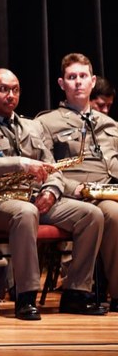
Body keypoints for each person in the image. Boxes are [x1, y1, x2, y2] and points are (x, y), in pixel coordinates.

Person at [0, 68, 106, 320]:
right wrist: (20, 163)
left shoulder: (32, 126)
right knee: (26, 213)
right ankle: (25, 296)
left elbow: (52, 168)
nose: (10, 95)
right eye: (3, 89)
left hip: (35, 197)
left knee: (91, 215)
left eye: (15, 90)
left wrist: (51, 191)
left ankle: (76, 292)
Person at [35, 53, 118, 312]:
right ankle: (78, 291)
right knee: (113, 215)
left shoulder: (109, 124)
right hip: (72, 194)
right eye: (72, 77)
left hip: (107, 190)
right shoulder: (46, 122)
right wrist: (76, 189)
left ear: (93, 81)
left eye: (83, 76)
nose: (78, 82)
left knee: (113, 210)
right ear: (62, 84)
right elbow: (45, 168)